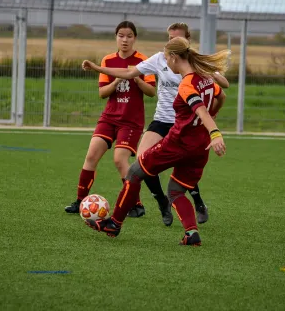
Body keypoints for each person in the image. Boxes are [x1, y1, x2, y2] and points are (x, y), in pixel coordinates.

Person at [80, 22, 229, 226]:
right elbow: (128, 73)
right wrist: (96, 67)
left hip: (185, 124)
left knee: (182, 169)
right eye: (169, 38)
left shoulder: (193, 68)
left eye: (176, 39)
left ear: (186, 43)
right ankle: (162, 202)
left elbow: (223, 88)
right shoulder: (160, 58)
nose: (170, 43)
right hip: (162, 120)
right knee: (142, 159)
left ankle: (198, 203)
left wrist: (211, 79)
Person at [64, 21, 157, 218]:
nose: (125, 40)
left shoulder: (143, 61)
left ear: (135, 38)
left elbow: (151, 92)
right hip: (109, 118)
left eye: (129, 36)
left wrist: (136, 77)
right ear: (116, 37)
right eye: (121, 35)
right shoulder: (108, 60)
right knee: (91, 157)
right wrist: (116, 80)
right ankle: (80, 201)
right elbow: (102, 93)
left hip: (131, 121)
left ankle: (136, 204)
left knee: (119, 159)